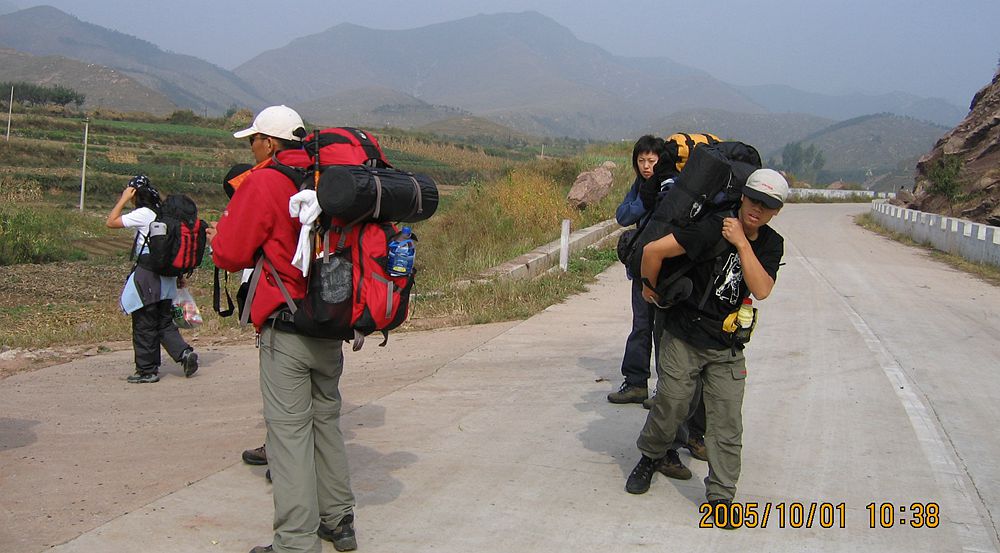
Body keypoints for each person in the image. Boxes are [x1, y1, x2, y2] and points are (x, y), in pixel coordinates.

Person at [208, 105, 357, 553]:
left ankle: (294, 541)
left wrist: (221, 238)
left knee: (288, 434)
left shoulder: (265, 182)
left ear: (270, 143)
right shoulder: (327, 180)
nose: (251, 149)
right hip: (330, 321)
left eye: (254, 140)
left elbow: (229, 253)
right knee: (326, 421)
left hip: (286, 326)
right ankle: (339, 521)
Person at [624, 168, 788, 528]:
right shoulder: (712, 227)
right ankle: (651, 456)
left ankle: (721, 496)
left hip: (726, 345)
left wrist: (742, 243)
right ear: (742, 197)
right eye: (754, 200)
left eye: (767, 206)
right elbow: (653, 250)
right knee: (671, 404)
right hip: (684, 334)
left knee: (727, 422)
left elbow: (762, 289)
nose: (757, 209)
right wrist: (649, 288)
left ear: (776, 211)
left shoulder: (771, 244)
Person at [106, 175, 199, 383]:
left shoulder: (143, 214)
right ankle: (184, 353)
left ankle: (147, 370)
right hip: (167, 277)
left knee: (144, 323)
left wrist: (123, 198)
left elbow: (111, 222)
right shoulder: (162, 213)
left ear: (135, 194)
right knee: (164, 322)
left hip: (148, 275)